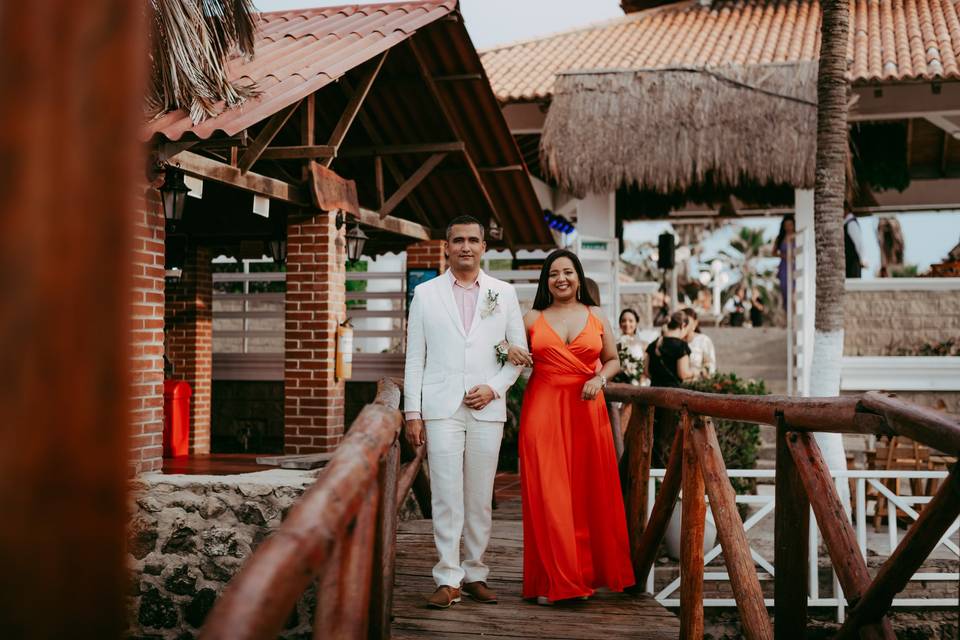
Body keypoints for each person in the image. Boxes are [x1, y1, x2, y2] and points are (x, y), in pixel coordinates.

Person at [403, 215, 527, 609]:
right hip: (440, 409)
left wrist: (495, 388)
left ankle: (475, 572)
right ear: (447, 246)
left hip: (487, 408)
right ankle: (448, 576)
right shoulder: (425, 294)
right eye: (458, 240)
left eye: (473, 240)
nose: (466, 247)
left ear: (484, 247)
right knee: (445, 494)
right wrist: (412, 412)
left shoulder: (503, 293)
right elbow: (414, 359)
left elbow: (518, 355)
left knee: (478, 497)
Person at [506, 249, 635, 605]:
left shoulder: (597, 316)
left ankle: (584, 574)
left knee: (586, 490)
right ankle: (557, 580)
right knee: (549, 493)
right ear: (546, 282)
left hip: (585, 408)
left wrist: (600, 379)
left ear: (578, 277)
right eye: (553, 274)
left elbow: (612, 360)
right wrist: (507, 348)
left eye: (567, 272)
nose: (560, 279)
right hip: (543, 408)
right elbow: (504, 346)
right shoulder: (531, 318)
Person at [643, 311, 694, 465]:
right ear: (683, 325)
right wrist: (696, 372)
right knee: (672, 436)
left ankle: (654, 471)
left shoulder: (653, 344)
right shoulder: (681, 346)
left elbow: (646, 372)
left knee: (655, 435)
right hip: (673, 396)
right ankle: (666, 474)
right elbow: (683, 373)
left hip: (654, 393)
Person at [682, 307, 716, 379]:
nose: (684, 325)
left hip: (698, 381)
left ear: (695, 323)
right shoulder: (675, 341)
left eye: (687, 322)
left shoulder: (703, 340)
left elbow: (711, 365)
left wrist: (701, 372)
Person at [773, 214, 795, 310]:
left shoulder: (797, 235)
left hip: (794, 265)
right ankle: (787, 315)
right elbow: (773, 252)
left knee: (794, 291)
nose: (788, 227)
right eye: (786, 225)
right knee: (785, 291)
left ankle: (794, 314)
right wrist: (784, 256)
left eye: (790, 225)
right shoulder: (780, 238)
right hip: (784, 267)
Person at [844, 210, 867, 278]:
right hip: (849, 263)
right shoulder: (846, 223)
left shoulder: (851, 223)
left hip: (852, 264)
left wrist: (863, 259)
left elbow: (859, 243)